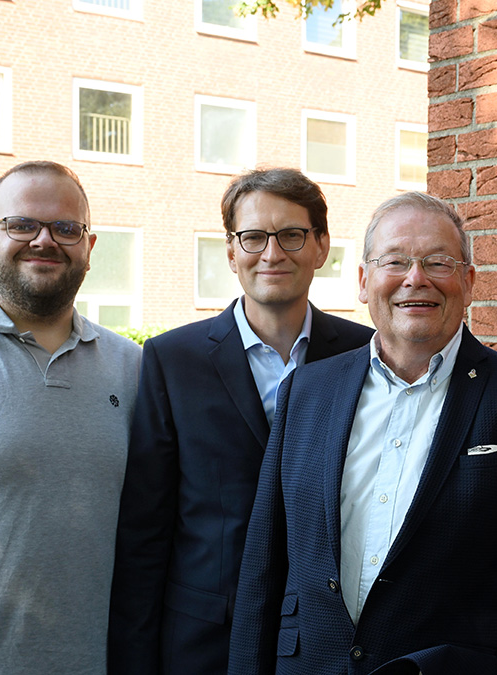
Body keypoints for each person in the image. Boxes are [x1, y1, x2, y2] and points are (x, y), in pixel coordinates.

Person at [228, 191, 497, 675]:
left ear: (467, 281)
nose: (415, 279)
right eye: (395, 261)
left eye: (438, 262)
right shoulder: (306, 390)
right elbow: (263, 569)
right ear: (364, 281)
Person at [108, 168, 372, 674]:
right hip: (204, 639)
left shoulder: (363, 354)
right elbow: (146, 529)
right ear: (231, 252)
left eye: (292, 235)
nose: (271, 254)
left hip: (326, 639)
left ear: (321, 247)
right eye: (253, 237)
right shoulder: (172, 359)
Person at [0, 160, 141, 673]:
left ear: (89, 246)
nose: (44, 240)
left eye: (65, 228)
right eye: (21, 225)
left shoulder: (134, 368)